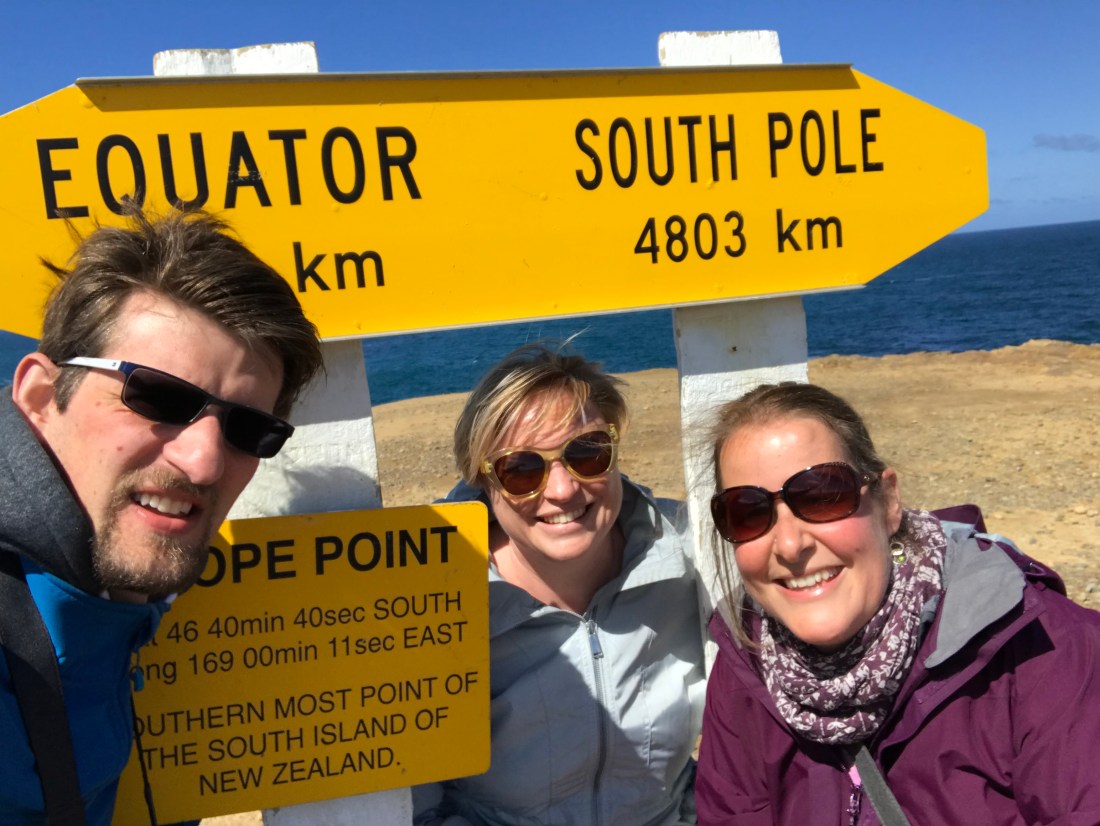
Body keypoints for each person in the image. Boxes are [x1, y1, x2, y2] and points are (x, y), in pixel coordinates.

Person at [0, 206, 323, 824]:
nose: (204, 461)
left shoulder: (105, 603)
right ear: (41, 398)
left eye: (247, 428)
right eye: (157, 396)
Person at [694, 381, 1100, 825]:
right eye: (748, 512)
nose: (790, 545)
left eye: (822, 495)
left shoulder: (1048, 649)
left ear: (888, 502)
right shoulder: (746, 669)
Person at [413, 341, 706, 825]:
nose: (563, 489)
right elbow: (415, 795)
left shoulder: (686, 556)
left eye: (587, 453)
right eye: (520, 469)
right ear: (482, 483)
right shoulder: (439, 602)